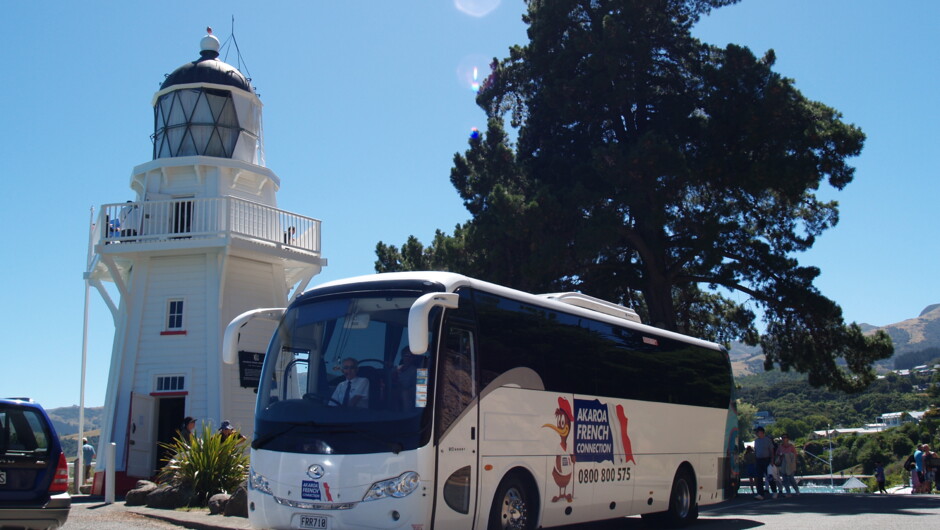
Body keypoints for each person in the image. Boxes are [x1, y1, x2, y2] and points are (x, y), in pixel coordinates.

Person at [753, 426, 774, 500]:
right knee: (759, 478)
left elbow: (771, 450)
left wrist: (772, 460)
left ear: (761, 432)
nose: (756, 433)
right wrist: (755, 460)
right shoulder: (756, 441)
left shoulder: (767, 440)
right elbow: (755, 451)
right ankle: (760, 494)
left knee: (769, 476)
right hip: (759, 460)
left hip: (766, 460)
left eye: (757, 432)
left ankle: (774, 491)